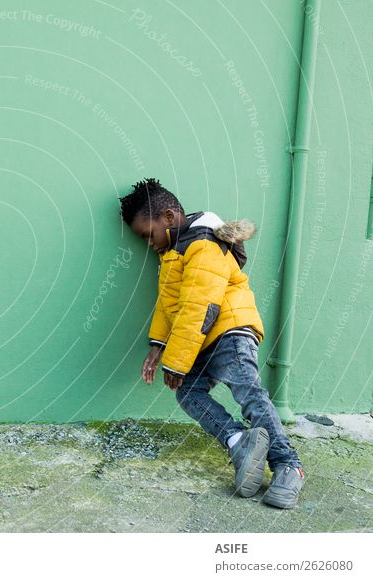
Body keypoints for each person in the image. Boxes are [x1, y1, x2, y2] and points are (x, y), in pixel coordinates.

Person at [118, 178, 305, 509]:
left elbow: (199, 306)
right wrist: (158, 345)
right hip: (202, 338)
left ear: (170, 217)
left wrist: (176, 361)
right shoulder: (172, 253)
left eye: (149, 234)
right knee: (188, 392)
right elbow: (168, 303)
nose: (148, 243)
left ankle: (288, 465)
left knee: (248, 394)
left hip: (230, 330)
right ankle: (239, 441)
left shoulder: (203, 245)